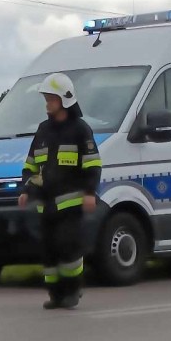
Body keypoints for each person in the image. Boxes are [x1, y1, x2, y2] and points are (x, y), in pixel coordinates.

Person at [17, 73, 103, 310]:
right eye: (46, 98)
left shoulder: (80, 130)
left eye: (51, 98)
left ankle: (73, 290)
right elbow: (31, 165)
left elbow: (93, 163)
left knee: (68, 247)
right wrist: (27, 189)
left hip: (71, 204)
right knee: (49, 251)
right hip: (47, 204)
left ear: (65, 99)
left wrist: (89, 192)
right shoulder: (43, 130)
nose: (47, 103)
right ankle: (56, 295)